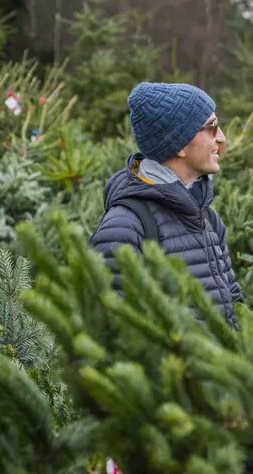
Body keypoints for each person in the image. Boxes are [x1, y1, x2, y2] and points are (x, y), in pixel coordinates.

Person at [89, 82, 242, 328]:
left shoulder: (208, 218)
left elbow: (234, 309)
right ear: (180, 143)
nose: (222, 137)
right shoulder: (125, 226)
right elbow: (116, 330)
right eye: (212, 127)